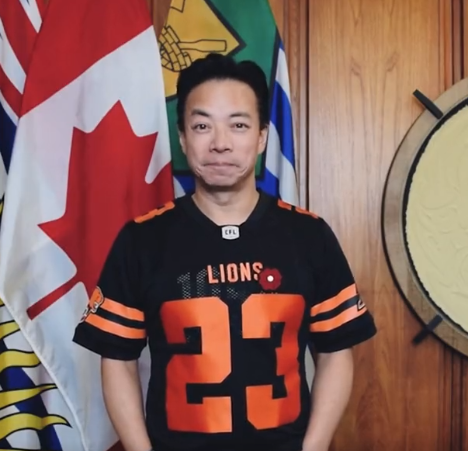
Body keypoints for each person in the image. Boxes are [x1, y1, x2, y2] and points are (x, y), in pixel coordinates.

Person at [72, 53, 377, 451]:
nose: (220, 143)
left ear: (262, 137)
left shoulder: (309, 235)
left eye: (238, 125)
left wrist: (313, 448)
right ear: (182, 138)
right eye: (202, 126)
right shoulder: (142, 239)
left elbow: (336, 350)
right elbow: (117, 357)